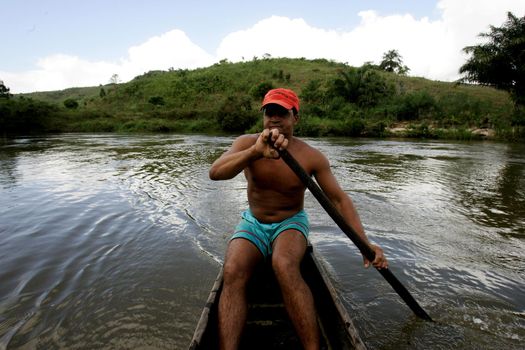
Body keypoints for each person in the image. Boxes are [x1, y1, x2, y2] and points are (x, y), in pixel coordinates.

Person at [209, 88, 388, 350]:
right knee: (232, 269)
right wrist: (255, 152)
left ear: (296, 118)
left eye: (282, 113)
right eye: (270, 113)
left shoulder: (311, 156)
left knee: (284, 264)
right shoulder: (245, 144)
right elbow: (215, 173)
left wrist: (364, 243)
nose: (275, 119)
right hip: (253, 221)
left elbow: (339, 199)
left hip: (290, 222)